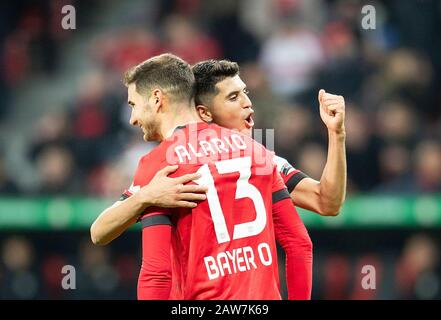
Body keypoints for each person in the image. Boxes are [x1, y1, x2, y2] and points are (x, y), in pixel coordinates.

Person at [91, 53, 306, 299]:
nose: (133, 118)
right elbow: (300, 242)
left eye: (133, 105)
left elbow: (155, 272)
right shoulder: (256, 150)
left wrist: (145, 197)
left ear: (157, 99)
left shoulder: (160, 166)